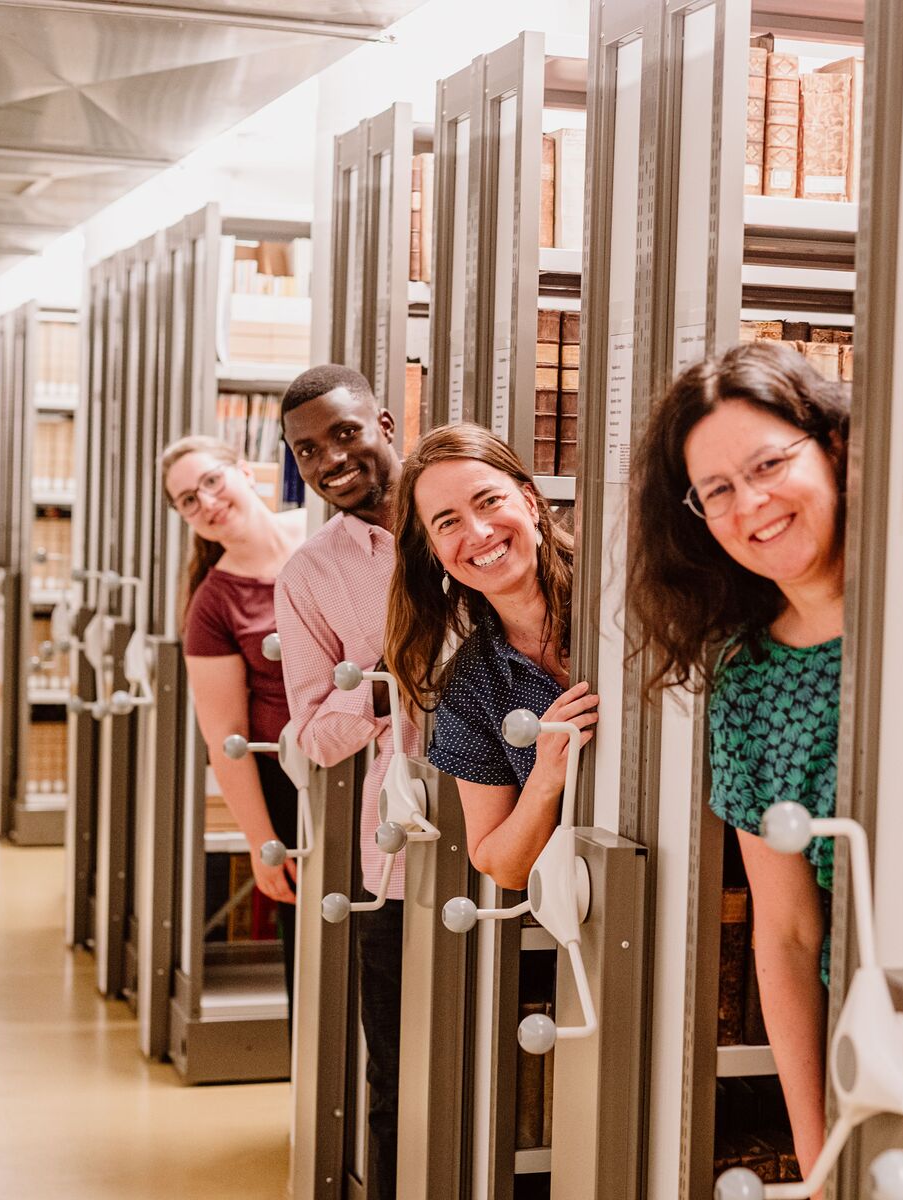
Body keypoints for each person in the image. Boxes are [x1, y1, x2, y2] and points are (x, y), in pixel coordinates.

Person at [625, 341, 848, 1186]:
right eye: (718, 490)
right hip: (874, 1033)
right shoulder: (746, 680)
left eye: (768, 463)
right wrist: (818, 1150)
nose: (752, 502)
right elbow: (789, 935)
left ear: (830, 445)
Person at [273, 364, 418, 1200]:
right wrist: (384, 684)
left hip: (523, 826)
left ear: (385, 423)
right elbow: (310, 734)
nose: (331, 459)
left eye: (345, 433)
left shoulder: (463, 518)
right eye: (308, 450)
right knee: (398, 1076)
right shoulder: (311, 574)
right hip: (398, 850)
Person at [383, 423, 597, 893]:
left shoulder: (616, 594)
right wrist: (545, 778)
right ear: (436, 552)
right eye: (448, 522)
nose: (478, 532)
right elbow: (500, 865)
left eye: (489, 502)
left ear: (529, 500)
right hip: (603, 906)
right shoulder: (471, 686)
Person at [162, 434, 308, 1008]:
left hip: (380, 764)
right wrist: (261, 841)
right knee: (314, 956)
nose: (206, 502)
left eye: (211, 482)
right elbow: (225, 738)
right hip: (291, 784)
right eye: (188, 502)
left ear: (246, 472)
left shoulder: (325, 534)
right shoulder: (213, 604)